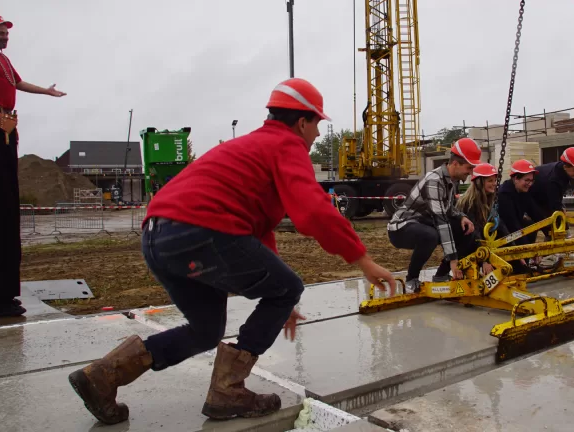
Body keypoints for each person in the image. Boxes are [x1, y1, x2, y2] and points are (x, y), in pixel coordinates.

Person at [67, 77, 396, 425]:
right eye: (317, 124)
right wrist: (363, 259)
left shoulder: (252, 146)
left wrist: (277, 300)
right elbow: (313, 211)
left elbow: (257, 235)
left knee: (207, 330)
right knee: (288, 287)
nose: (317, 134)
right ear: (302, 121)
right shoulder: (287, 145)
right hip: (201, 232)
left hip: (158, 236)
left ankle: (103, 376)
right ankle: (228, 389)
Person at [0, 13, 66, 317]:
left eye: (7, 32)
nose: (6, 36)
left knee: (6, 210)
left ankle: (1, 292)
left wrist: (46, 91)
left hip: (5, 129)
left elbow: (17, 83)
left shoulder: (4, 62)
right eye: (0, 31)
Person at [387, 138, 481, 292]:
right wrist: (453, 259)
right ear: (455, 164)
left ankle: (441, 275)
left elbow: (448, 209)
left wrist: (461, 217)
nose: (470, 173)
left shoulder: (451, 180)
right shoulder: (434, 181)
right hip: (400, 228)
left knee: (465, 229)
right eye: (469, 168)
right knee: (431, 235)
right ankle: (411, 279)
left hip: (422, 222)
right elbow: (441, 221)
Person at [496, 159, 544, 274]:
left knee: (531, 225)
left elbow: (535, 213)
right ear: (515, 178)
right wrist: (529, 249)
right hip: (502, 232)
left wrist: (550, 228)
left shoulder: (523, 192)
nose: (530, 183)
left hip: (514, 227)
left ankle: (524, 263)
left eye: (531, 180)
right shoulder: (504, 195)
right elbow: (512, 224)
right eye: (526, 180)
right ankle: (517, 267)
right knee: (523, 231)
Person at [455, 162, 500, 276]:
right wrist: (484, 260)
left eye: (494, 181)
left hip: (478, 245)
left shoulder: (488, 201)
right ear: (479, 183)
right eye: (490, 181)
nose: (494, 184)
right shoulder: (469, 203)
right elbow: (474, 233)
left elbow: (500, 225)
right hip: (464, 249)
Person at [527, 146, 574, 221]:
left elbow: (557, 200)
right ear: (565, 166)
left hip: (542, 199)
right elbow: (554, 206)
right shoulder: (553, 180)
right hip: (531, 200)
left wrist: (561, 207)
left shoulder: (562, 172)